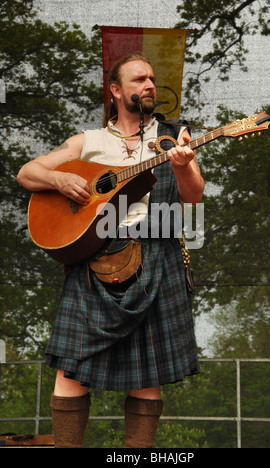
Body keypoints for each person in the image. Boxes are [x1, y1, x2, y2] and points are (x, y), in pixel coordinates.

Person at [17, 53, 205, 448]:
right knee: (70, 370)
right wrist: (60, 178)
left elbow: (193, 196)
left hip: (156, 258)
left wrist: (183, 165)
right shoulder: (90, 141)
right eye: (139, 79)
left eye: (152, 78)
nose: (149, 85)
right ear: (116, 91)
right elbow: (27, 173)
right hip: (95, 258)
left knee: (147, 377)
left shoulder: (175, 136)